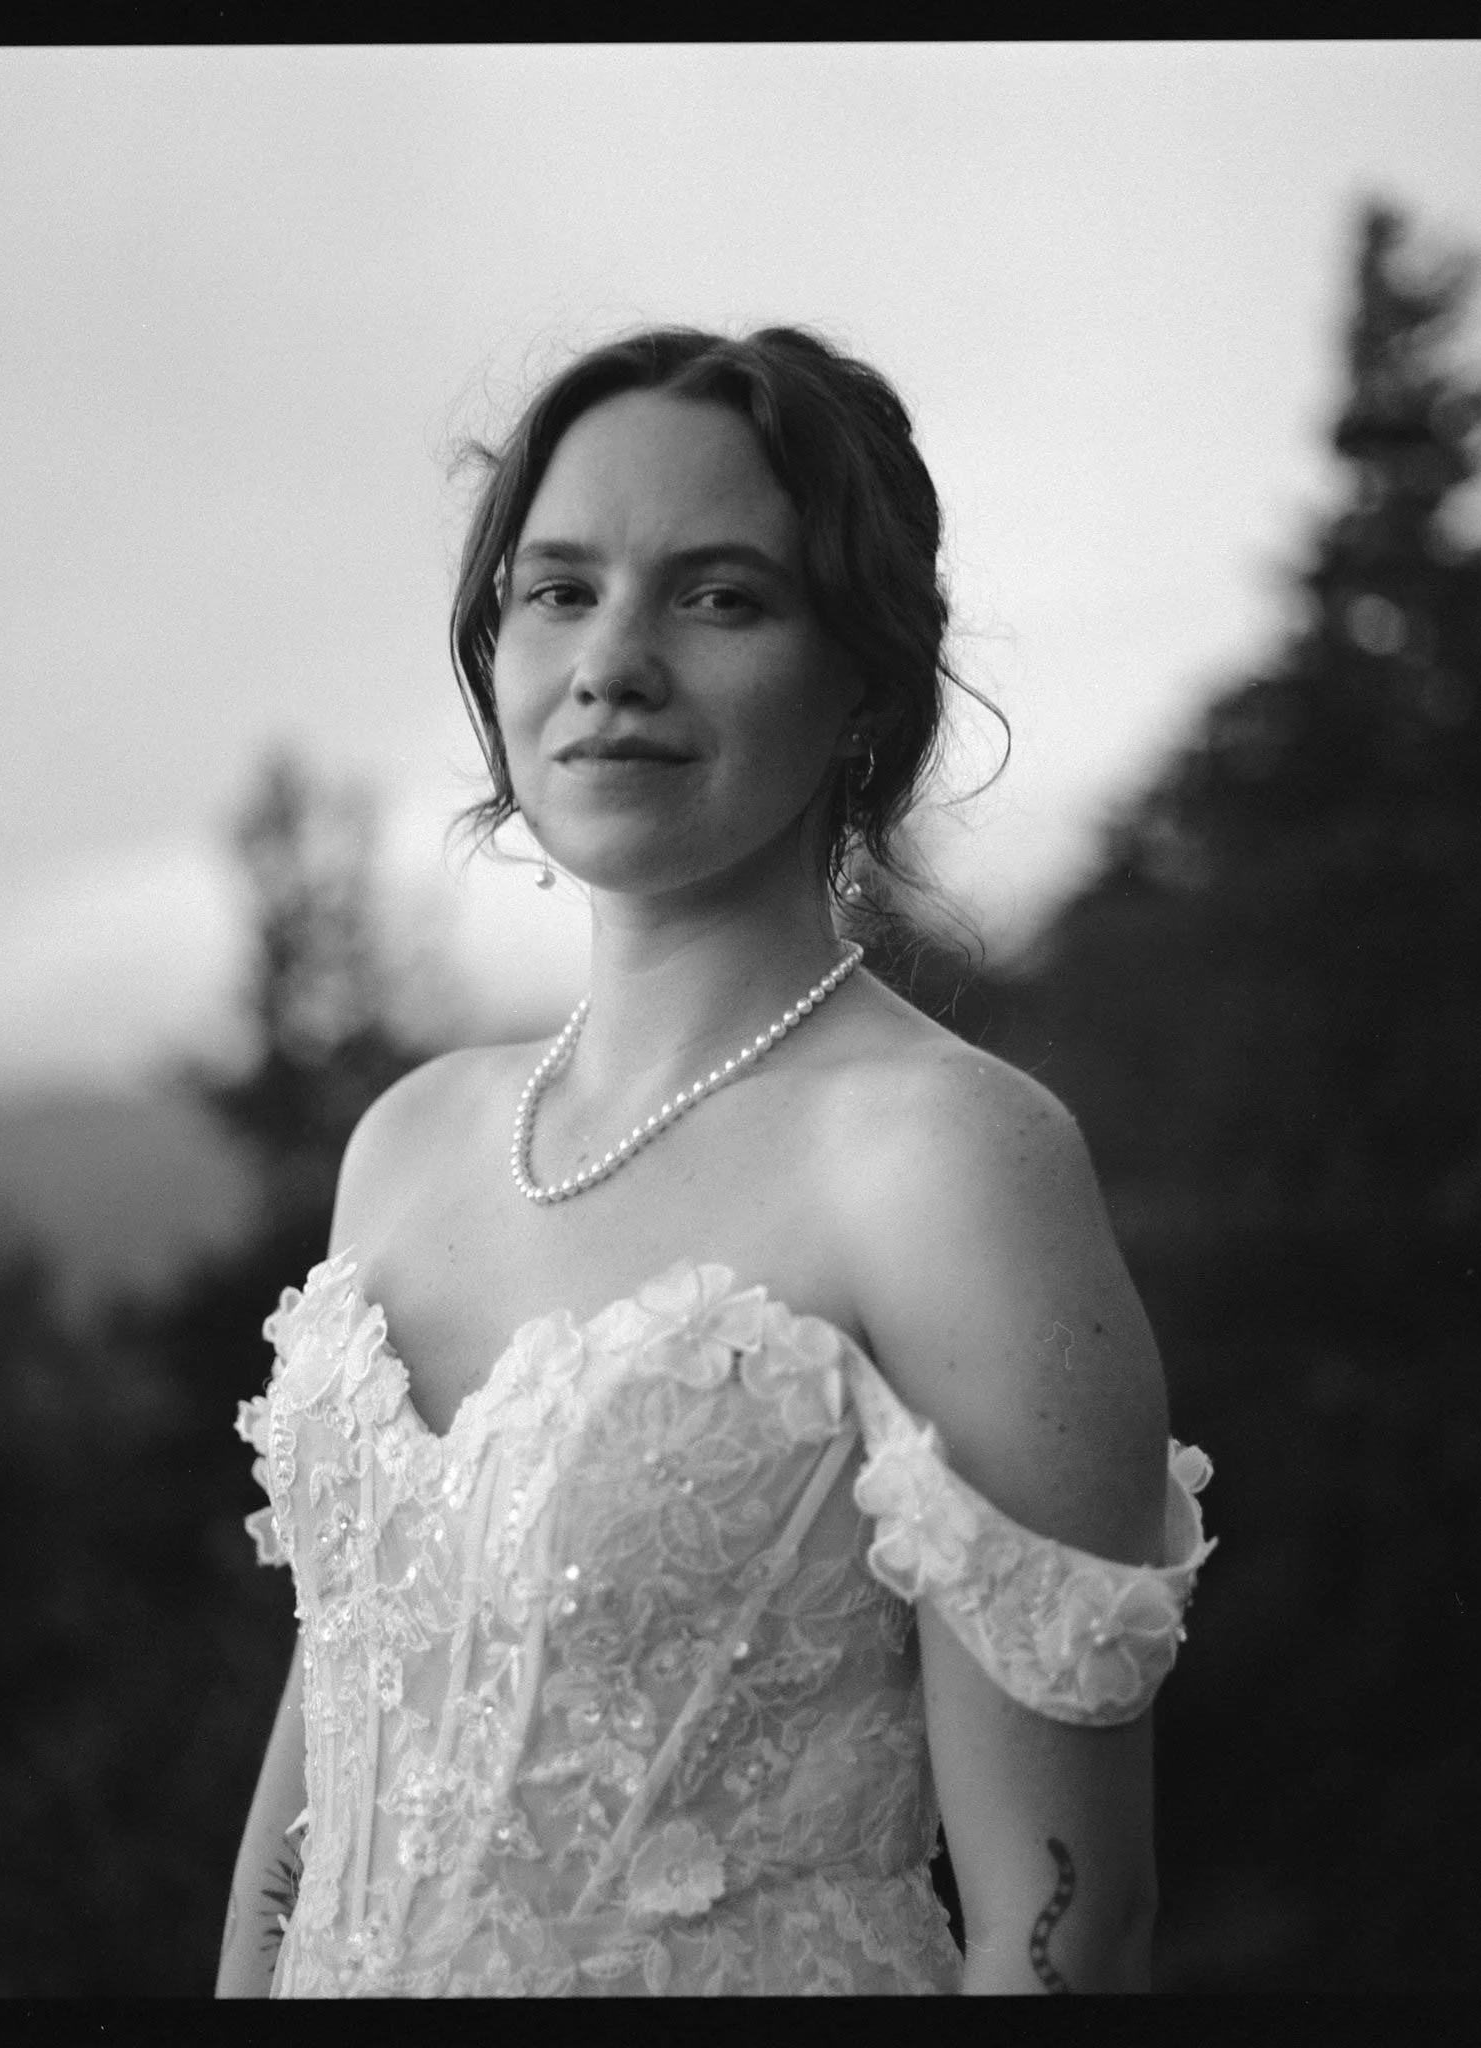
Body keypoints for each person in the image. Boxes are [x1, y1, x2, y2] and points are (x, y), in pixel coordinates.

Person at [215, 326, 1213, 1998]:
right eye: (559, 589)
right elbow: (328, 1774)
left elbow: (1069, 1928)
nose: (613, 662)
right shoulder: (409, 1142)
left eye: (720, 596)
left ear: (865, 684)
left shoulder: (949, 1161)